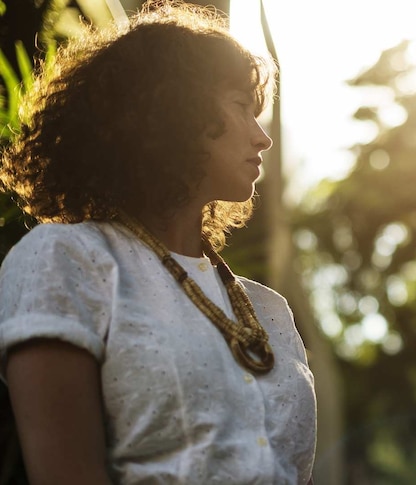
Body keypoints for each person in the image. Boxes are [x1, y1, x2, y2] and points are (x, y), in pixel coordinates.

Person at [0, 2, 316, 484]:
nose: (262, 138)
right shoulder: (66, 259)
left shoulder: (269, 308)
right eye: (240, 107)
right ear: (171, 109)